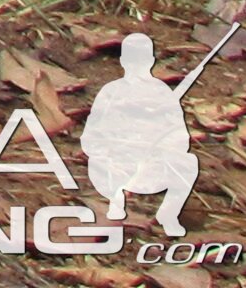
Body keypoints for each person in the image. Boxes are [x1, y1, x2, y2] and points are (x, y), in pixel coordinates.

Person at [79, 33, 199, 236]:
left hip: (151, 165)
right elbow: (91, 136)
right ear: (124, 62)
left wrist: (159, 146)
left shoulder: (162, 93)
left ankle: (167, 214)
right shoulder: (111, 92)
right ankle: (116, 208)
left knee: (189, 163)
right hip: (115, 164)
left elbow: (180, 136)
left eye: (142, 60)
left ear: (151, 61)